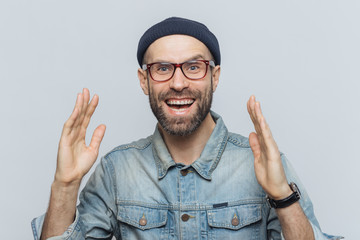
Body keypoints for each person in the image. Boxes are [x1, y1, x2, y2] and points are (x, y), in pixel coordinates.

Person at [32, 17, 340, 240]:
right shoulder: (116, 170)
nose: (178, 83)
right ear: (144, 81)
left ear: (214, 76)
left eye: (193, 67)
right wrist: (65, 184)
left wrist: (282, 197)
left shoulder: (263, 165)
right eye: (163, 69)